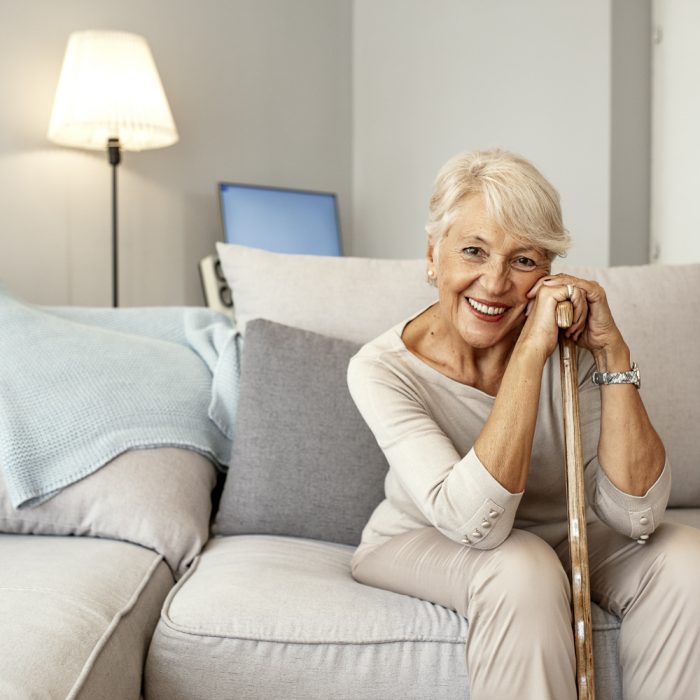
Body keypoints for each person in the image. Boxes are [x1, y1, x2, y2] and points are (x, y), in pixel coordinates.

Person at [347, 149, 700, 699]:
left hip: (563, 533)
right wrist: (530, 354)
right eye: (473, 251)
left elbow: (639, 515)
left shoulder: (576, 350)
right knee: (521, 565)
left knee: (687, 559)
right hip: (424, 537)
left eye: (523, 261)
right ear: (432, 256)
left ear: (547, 274)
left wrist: (610, 352)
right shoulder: (381, 368)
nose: (493, 283)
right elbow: (476, 526)